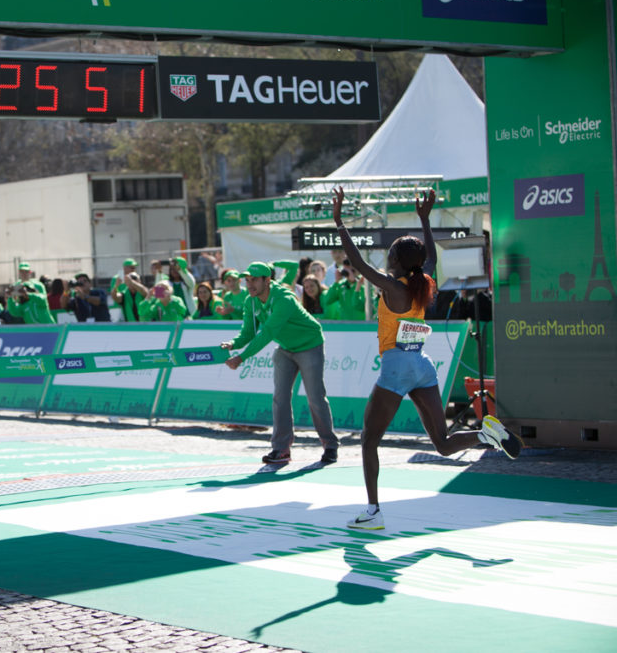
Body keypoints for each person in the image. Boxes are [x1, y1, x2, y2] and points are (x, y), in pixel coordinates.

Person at [332, 187, 522, 531]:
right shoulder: (423, 281)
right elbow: (430, 258)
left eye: (390, 253)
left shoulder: (394, 287)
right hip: (422, 364)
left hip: (396, 367)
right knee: (444, 444)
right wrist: (424, 219)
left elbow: (358, 263)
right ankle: (486, 435)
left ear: (395, 261)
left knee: (368, 439)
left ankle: (373, 512)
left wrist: (339, 222)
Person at [220, 262, 338, 465]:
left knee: (315, 398)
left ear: (267, 280)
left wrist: (241, 357)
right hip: (285, 348)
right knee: (280, 398)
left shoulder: (284, 298)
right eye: (247, 280)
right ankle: (281, 449)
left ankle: (330, 446)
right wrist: (232, 344)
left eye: (254, 280)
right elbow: (247, 332)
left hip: (309, 345)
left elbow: (267, 333)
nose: (249, 284)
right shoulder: (251, 301)